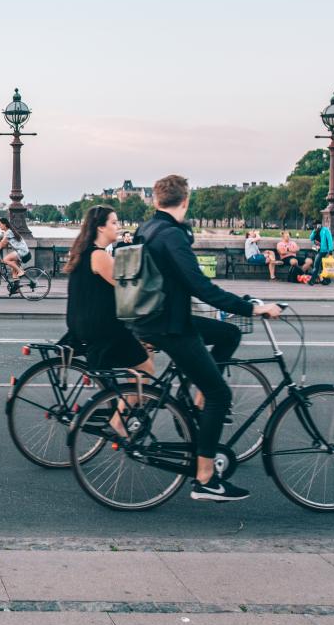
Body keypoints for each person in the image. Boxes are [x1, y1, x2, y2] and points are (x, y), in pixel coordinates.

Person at [133, 174, 282, 502]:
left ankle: (198, 401)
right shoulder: (172, 235)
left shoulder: (147, 229)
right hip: (170, 326)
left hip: (153, 319)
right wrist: (251, 309)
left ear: (156, 201)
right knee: (220, 394)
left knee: (227, 334)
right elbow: (201, 286)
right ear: (185, 202)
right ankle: (205, 479)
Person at [64, 205, 154, 375]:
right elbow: (128, 288)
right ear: (101, 227)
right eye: (114, 222)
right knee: (146, 369)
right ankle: (123, 401)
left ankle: (117, 399)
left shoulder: (82, 253)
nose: (118, 226)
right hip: (103, 329)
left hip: (81, 325)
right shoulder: (98, 256)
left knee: (131, 365)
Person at [0, 217, 30, 296]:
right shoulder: (7, 232)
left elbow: (2, 243)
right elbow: (4, 242)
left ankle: (21, 271)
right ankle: (16, 288)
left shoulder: (8, 232)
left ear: (4, 224)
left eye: (0, 224)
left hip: (22, 252)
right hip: (22, 251)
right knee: (13, 270)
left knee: (5, 259)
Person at [308, 220, 334, 285]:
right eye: (314, 225)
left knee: (316, 265)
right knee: (322, 266)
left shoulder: (326, 230)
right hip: (315, 249)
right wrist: (314, 231)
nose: (315, 226)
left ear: (319, 224)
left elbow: (330, 240)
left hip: (323, 250)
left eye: (316, 225)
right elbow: (311, 238)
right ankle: (326, 280)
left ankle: (312, 281)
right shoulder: (315, 230)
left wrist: (330, 250)